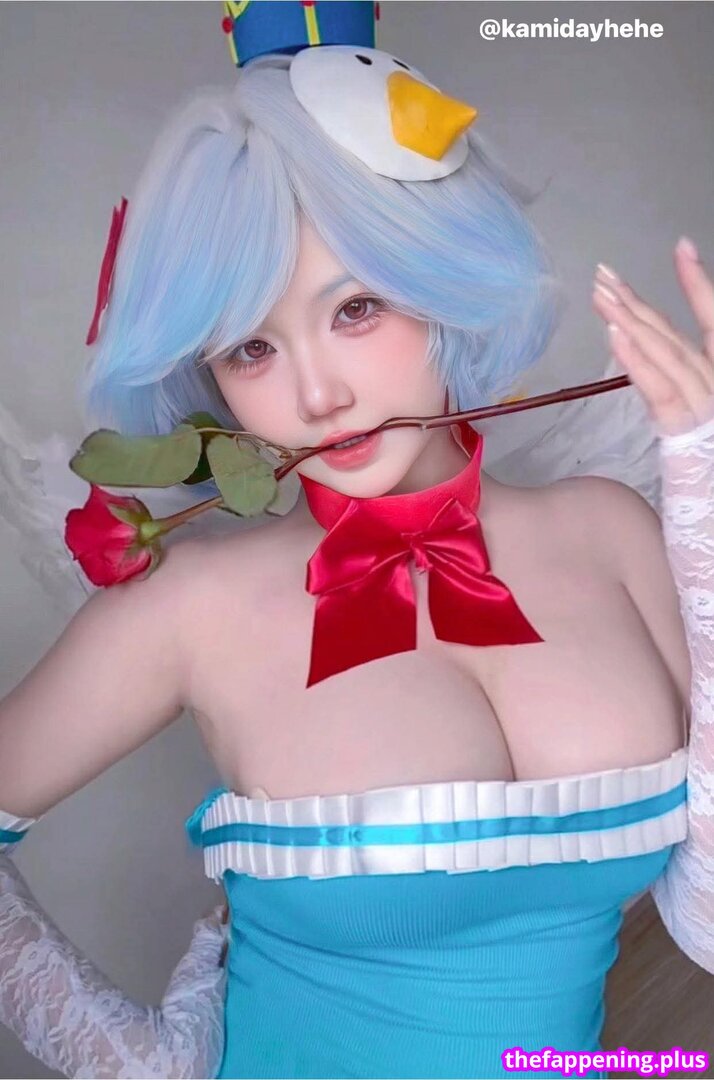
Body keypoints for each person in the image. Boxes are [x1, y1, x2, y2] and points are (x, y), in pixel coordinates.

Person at [1, 4, 713, 1077]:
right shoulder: (192, 605)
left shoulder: (610, 531)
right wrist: (123, 1055)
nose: (318, 396)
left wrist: (702, 477)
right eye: (251, 348)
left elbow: (707, 915)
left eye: (357, 307)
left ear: (441, 275)